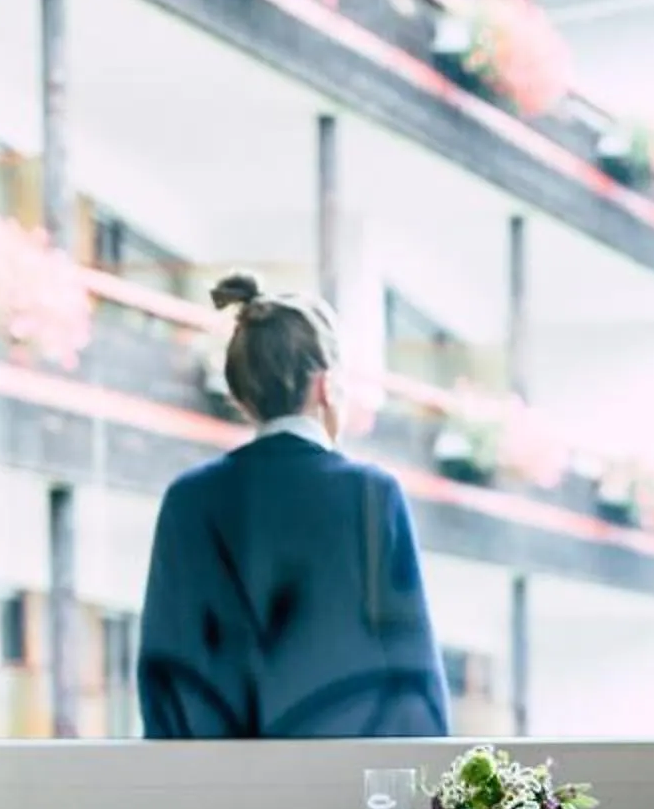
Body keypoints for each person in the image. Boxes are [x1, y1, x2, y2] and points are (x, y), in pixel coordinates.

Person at [136, 275, 452, 739]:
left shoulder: (189, 498)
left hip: (225, 794)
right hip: (345, 787)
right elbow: (414, 677)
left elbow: (166, 672)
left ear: (242, 395)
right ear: (325, 385)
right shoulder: (371, 494)